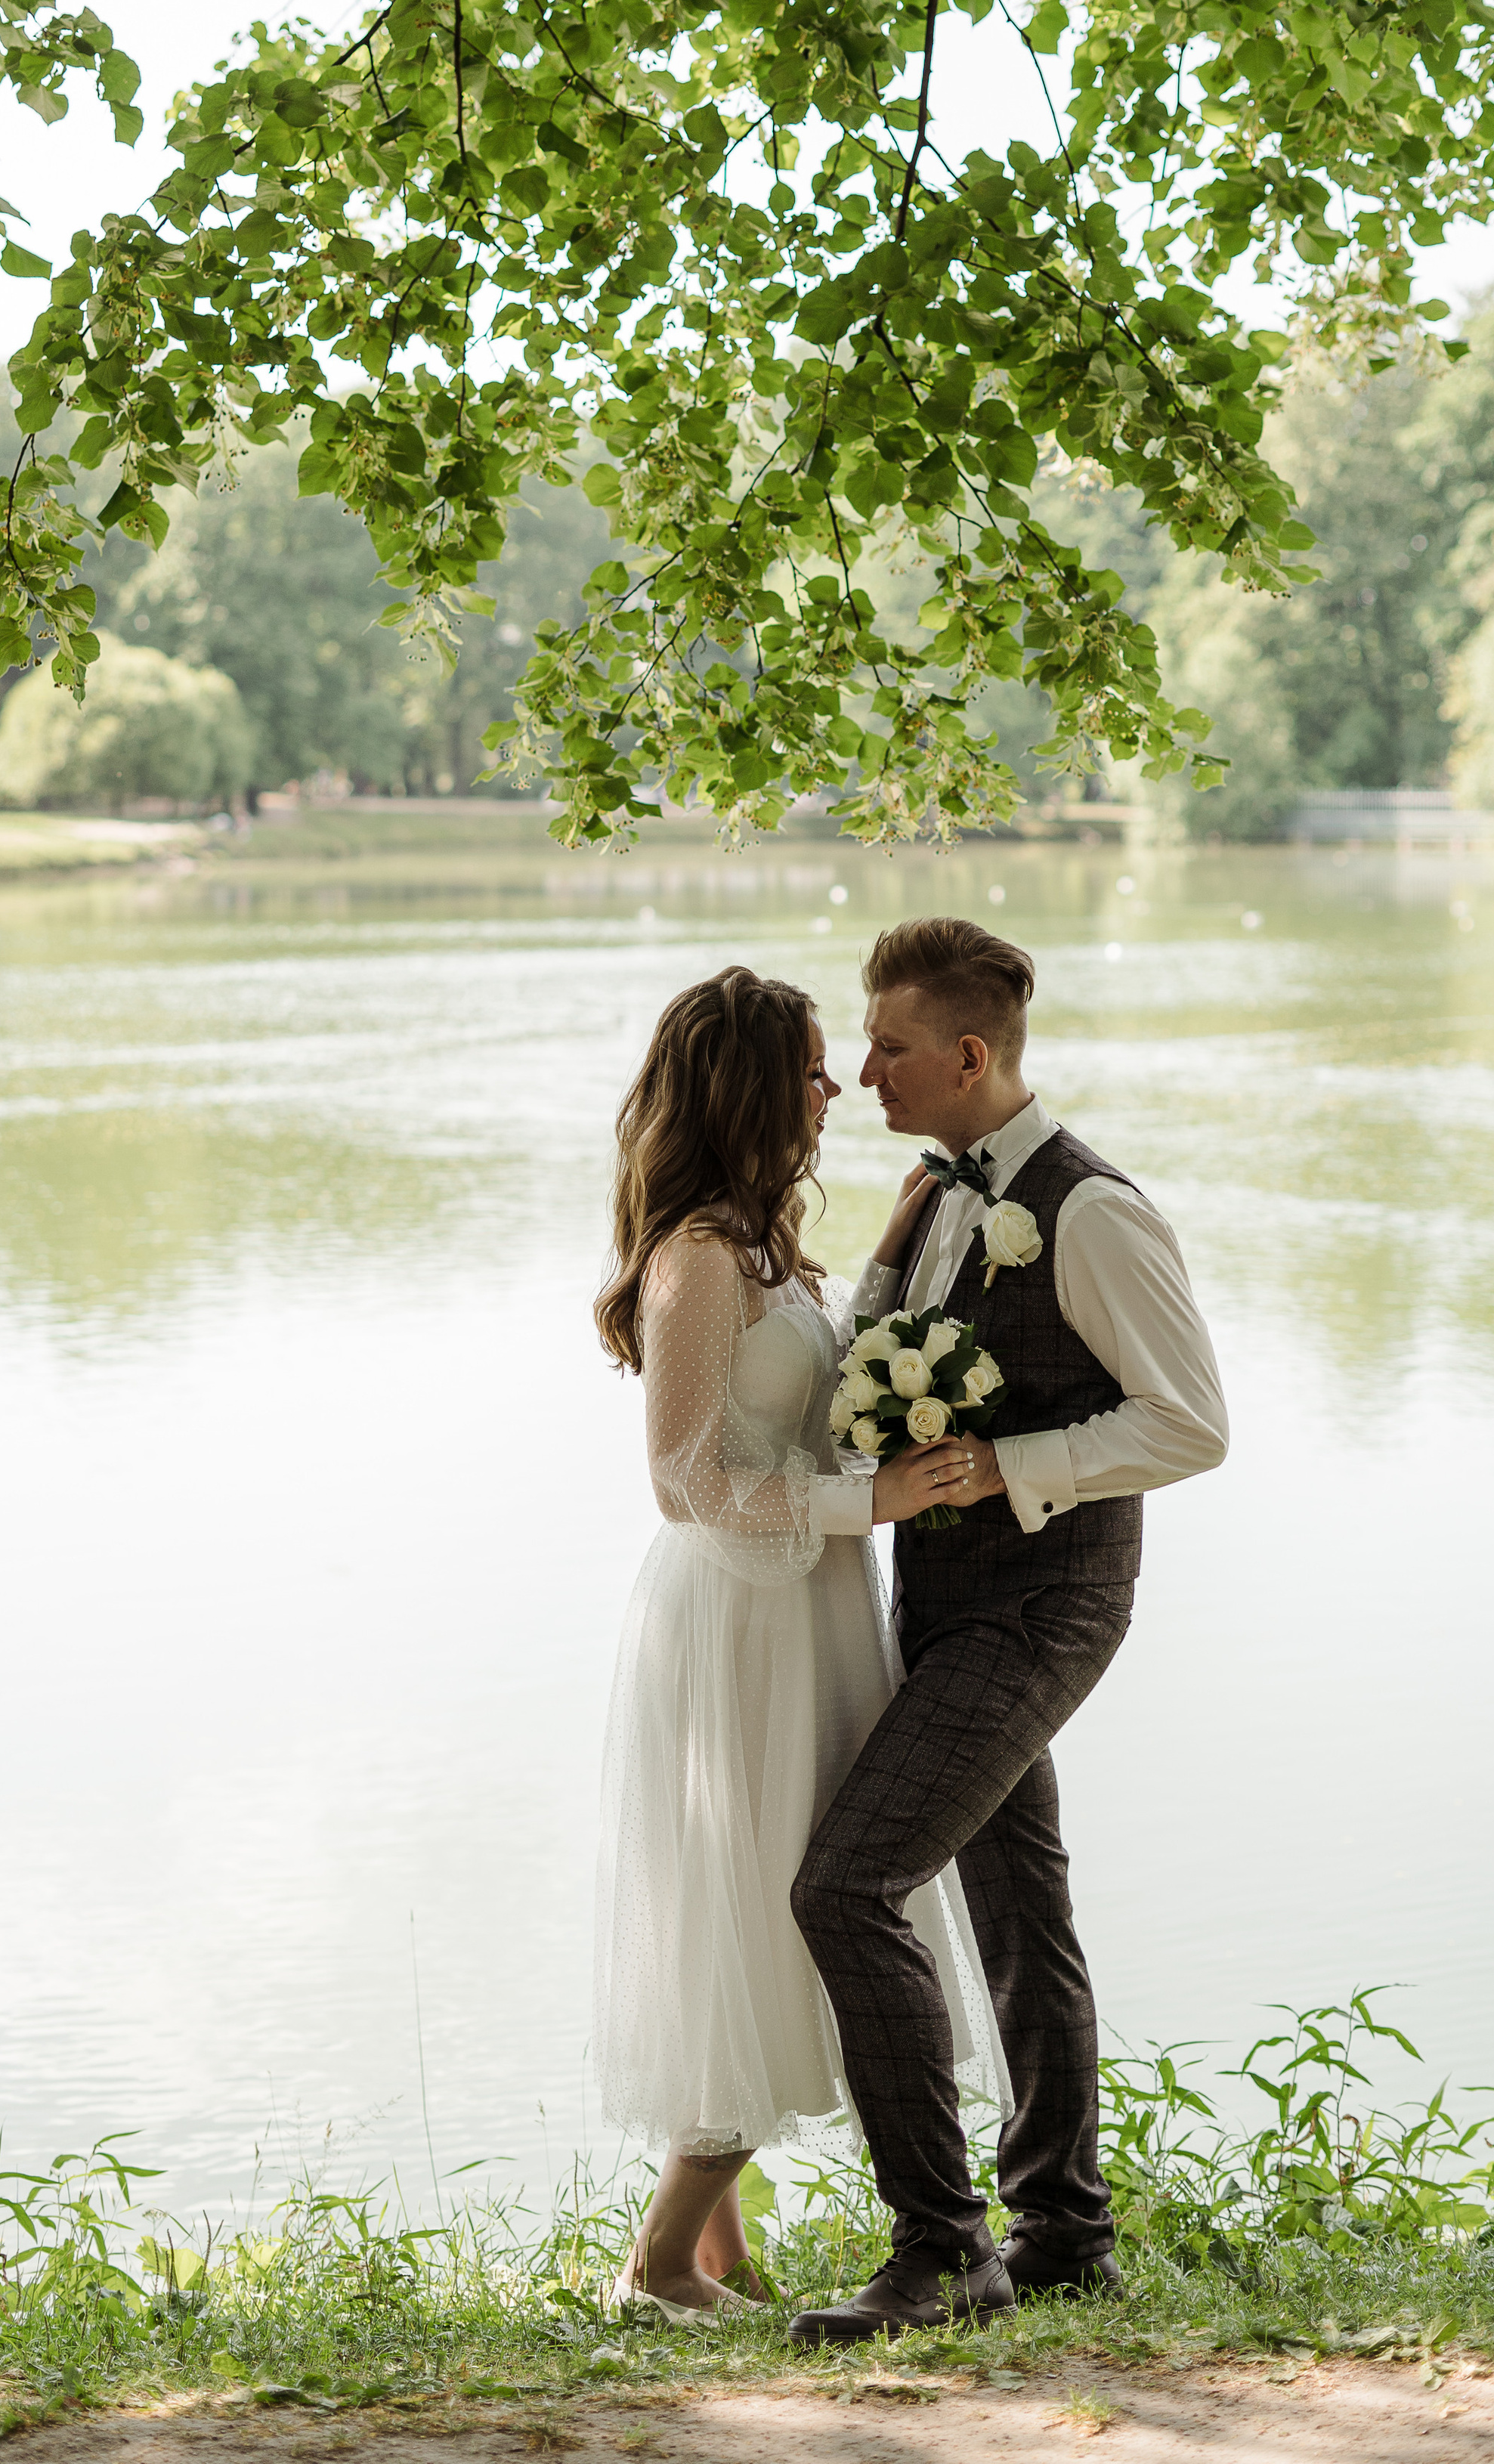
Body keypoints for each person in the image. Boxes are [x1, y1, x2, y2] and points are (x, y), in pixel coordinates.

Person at [787, 916, 1229, 2345]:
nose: (865, 1073)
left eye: (891, 1047)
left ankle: (942, 2248)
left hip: (1047, 1606)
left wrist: (1006, 1467)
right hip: (942, 1601)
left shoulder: (1091, 1212)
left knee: (847, 1887)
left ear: (970, 1055)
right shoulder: (934, 1195)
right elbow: (878, 1363)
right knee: (1020, 1912)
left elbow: (1191, 1424)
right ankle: (1065, 2235)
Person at [592, 965, 1010, 2323]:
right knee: (771, 1911)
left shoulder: (770, 1246)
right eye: (814, 1069)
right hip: (739, 1624)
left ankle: (714, 2258)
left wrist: (895, 1266)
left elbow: (806, 1404)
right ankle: (661, 2263)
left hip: (809, 1606)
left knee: (778, 1902)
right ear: (753, 1089)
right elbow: (684, 1479)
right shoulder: (698, 1259)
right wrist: (865, 1502)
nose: (836, 1089)